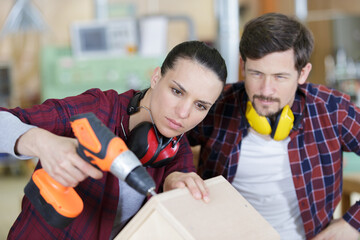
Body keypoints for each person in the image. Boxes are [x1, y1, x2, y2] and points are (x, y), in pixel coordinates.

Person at [0, 40, 227, 239]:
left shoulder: (176, 144)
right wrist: (41, 142)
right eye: (177, 91)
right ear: (156, 77)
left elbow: (178, 182)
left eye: (200, 105)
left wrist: (174, 187)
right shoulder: (98, 109)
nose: (184, 113)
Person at [187, 13, 360, 240]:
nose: (266, 90)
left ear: (303, 73)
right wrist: (179, 172)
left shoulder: (331, 109)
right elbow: (163, 141)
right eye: (256, 73)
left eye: (279, 77)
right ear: (242, 65)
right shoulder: (217, 105)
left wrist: (352, 224)